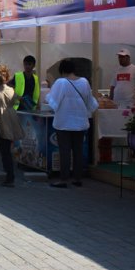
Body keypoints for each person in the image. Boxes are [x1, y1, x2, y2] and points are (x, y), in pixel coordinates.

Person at [46, 59, 98, 188]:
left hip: (64, 123)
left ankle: (63, 179)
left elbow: (52, 102)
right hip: (80, 122)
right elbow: (90, 102)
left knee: (64, 151)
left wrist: (50, 87)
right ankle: (77, 178)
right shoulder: (84, 82)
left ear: (62, 71)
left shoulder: (61, 82)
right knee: (78, 151)